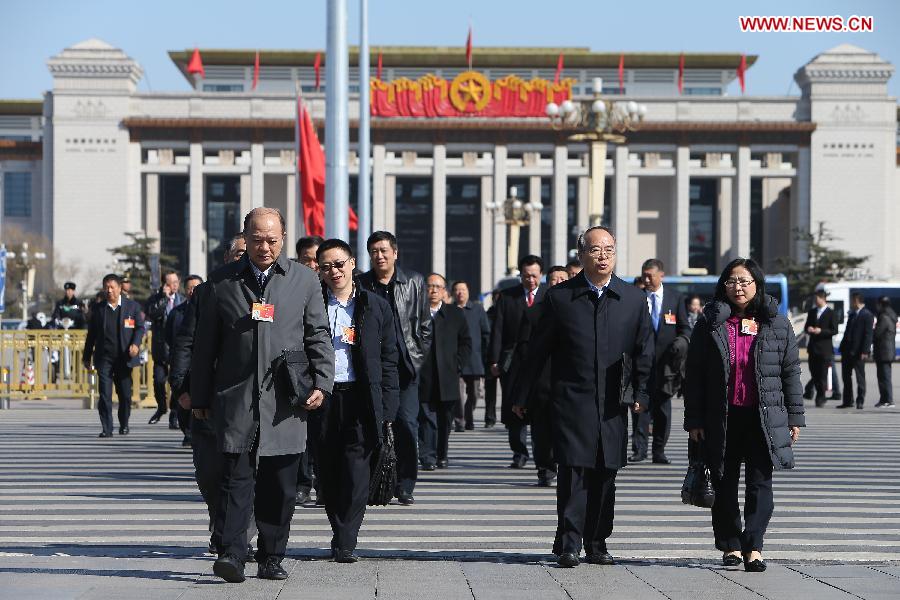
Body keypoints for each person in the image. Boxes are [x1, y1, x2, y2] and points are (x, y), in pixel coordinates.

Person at [190, 208, 334, 583]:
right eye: (257, 240)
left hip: (285, 401)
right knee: (234, 480)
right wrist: (199, 396)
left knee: (280, 486)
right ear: (245, 237)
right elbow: (205, 345)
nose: (264, 247)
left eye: (272, 240)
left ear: (283, 238)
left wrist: (322, 383)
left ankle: (271, 556)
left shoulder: (304, 279)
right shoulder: (221, 282)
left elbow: (318, 335)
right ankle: (232, 554)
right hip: (236, 399)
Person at [515, 227, 652, 567]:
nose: (603, 256)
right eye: (595, 249)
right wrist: (522, 395)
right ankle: (569, 543)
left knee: (606, 474)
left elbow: (644, 352)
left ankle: (597, 542)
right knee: (573, 473)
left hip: (613, 403)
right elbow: (537, 350)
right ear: (581, 255)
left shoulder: (633, 299)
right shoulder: (561, 298)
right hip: (572, 400)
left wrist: (641, 393)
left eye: (609, 249)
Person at [684, 258, 804, 572]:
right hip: (721, 416)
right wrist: (694, 420)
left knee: (760, 483)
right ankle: (730, 545)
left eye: (744, 281)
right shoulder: (710, 322)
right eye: (732, 281)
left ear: (756, 285)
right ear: (723, 285)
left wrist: (794, 417)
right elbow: (694, 373)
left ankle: (754, 546)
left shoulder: (776, 322)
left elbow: (790, 372)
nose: (738, 287)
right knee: (723, 482)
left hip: (762, 416)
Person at [169, 234, 257, 558]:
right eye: (239, 253)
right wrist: (183, 388)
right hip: (209, 398)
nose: (246, 258)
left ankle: (236, 538)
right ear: (227, 258)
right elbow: (186, 343)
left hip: (250, 398)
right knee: (210, 472)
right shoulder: (207, 292)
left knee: (245, 472)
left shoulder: (268, 292)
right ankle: (223, 527)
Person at [315, 239, 399, 562]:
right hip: (322, 396)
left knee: (356, 470)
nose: (334, 271)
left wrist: (388, 406)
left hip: (360, 397)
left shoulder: (374, 305)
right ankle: (339, 531)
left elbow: (389, 358)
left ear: (352, 263)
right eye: (326, 267)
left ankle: (346, 540)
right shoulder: (313, 303)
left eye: (339, 264)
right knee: (328, 469)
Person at [358, 231, 432, 505]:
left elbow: (425, 326)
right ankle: (376, 482)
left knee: (406, 425)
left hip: (405, 367)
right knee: (373, 426)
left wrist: (417, 360)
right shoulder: (361, 284)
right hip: (373, 368)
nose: (379, 256)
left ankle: (405, 484)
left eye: (384, 250)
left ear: (395, 253)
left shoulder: (414, 281)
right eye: (374, 251)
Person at [508, 266, 569, 487]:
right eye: (554, 279)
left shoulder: (581, 311)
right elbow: (526, 357)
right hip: (541, 384)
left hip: (571, 384)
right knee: (541, 432)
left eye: (563, 279)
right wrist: (521, 395)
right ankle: (545, 470)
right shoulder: (534, 313)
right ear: (547, 283)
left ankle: (569, 468)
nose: (558, 283)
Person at [489, 255, 546, 469]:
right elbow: (498, 330)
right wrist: (494, 360)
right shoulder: (507, 297)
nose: (530, 280)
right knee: (513, 408)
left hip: (541, 362)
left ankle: (542, 453)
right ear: (520, 275)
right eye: (526, 276)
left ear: (541, 275)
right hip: (513, 362)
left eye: (534, 276)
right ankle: (519, 452)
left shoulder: (549, 296)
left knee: (539, 409)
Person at [630, 258, 689, 465]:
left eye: (650, 276)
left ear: (661, 275)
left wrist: (681, 342)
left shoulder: (675, 298)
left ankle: (659, 451)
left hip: (666, 365)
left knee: (663, 409)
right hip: (641, 363)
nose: (646, 280)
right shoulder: (636, 297)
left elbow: (685, 328)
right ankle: (639, 449)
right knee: (640, 406)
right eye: (644, 276)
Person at [418, 274, 471, 470]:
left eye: (437, 287)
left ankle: (442, 454)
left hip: (448, 376)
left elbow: (466, 343)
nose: (433, 290)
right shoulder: (416, 313)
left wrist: (458, 364)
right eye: (430, 286)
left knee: (445, 419)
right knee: (426, 417)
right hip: (423, 375)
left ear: (444, 291)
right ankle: (428, 456)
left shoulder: (455, 314)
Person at [83, 274, 145, 438]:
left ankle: (124, 423)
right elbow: (92, 334)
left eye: (112, 287)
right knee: (104, 394)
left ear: (119, 288)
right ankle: (107, 428)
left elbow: (140, 328)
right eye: (106, 287)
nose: (109, 290)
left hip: (124, 357)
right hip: (104, 357)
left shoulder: (132, 307)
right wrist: (86, 356)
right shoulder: (98, 309)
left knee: (125, 394)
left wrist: (136, 344)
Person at [293, 235, 324, 505]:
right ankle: (303, 483)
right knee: (301, 431)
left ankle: (324, 484)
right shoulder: (290, 287)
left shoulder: (336, 287)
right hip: (298, 369)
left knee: (324, 432)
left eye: (317, 260)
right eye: (307, 260)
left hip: (326, 369)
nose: (313, 265)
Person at [164, 274, 203, 447]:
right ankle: (187, 432)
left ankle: (194, 433)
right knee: (184, 398)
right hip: (182, 361)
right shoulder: (176, 313)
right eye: (189, 288)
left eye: (196, 287)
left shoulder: (210, 309)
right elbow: (169, 336)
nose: (192, 291)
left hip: (202, 361)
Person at [146, 271, 185, 427]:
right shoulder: (155, 300)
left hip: (178, 349)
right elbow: (153, 314)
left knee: (176, 382)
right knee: (158, 380)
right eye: (169, 283)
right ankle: (162, 407)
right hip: (161, 348)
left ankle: (174, 413)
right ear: (164, 285)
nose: (173, 285)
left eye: (176, 282)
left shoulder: (183, 300)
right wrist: (164, 298)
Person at [452, 280, 490, 431]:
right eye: (457, 290)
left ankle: (469, 416)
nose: (460, 292)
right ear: (453, 293)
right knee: (458, 394)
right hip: (455, 359)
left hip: (474, 359)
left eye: (463, 289)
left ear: (468, 292)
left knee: (474, 394)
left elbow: (486, 333)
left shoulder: (477, 309)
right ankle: (460, 421)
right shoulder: (449, 310)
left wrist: (487, 356)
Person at [802, 290, 839, 407]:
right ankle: (816, 392)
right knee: (814, 373)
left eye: (817, 298)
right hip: (813, 348)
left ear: (823, 299)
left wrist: (821, 331)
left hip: (825, 349)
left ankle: (821, 396)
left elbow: (834, 330)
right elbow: (806, 326)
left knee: (823, 374)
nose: (815, 301)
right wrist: (809, 329)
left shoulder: (831, 313)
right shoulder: (812, 312)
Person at [838, 292, 874, 409]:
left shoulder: (867, 315)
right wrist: (842, 347)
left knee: (860, 377)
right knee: (846, 377)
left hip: (858, 352)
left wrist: (865, 351)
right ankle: (848, 400)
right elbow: (847, 332)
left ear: (856, 300)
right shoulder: (852, 314)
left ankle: (860, 400)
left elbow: (868, 334)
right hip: (847, 351)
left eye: (852, 300)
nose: (851, 302)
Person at [873, 297, 897, 408]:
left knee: (884, 377)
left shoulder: (884, 317)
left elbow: (877, 333)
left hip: (884, 351)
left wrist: (873, 330)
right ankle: (884, 399)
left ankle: (888, 400)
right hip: (886, 351)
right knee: (884, 377)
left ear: (881, 304)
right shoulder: (890, 315)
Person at [483, 289, 501, 428]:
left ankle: (508, 417)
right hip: (489, 357)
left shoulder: (508, 314)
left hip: (506, 357)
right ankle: (490, 418)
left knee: (509, 390)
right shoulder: (487, 315)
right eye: (496, 299)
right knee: (490, 391)